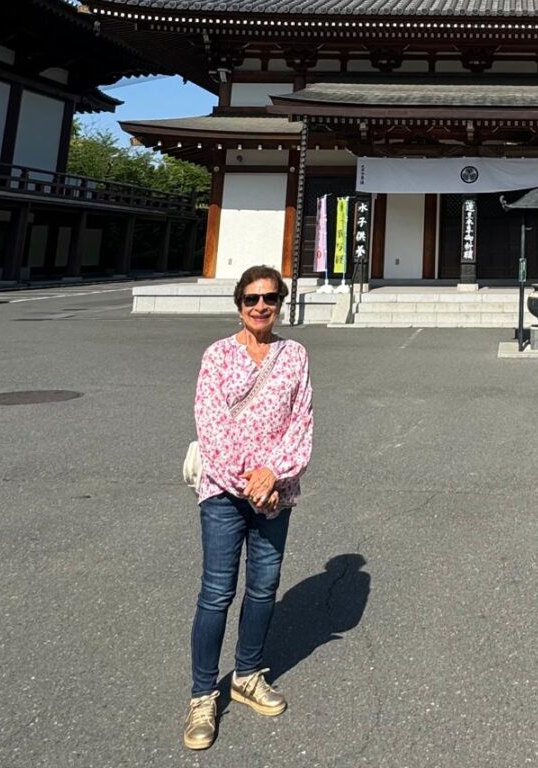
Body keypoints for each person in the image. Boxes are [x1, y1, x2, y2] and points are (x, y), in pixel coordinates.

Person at [183, 265, 314, 751]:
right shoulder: (217, 356)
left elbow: (302, 419)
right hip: (224, 488)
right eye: (252, 298)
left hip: (275, 489)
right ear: (238, 302)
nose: (261, 306)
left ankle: (248, 673)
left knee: (264, 586)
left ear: (282, 302)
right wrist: (247, 480)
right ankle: (201, 693)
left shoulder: (295, 355)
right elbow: (211, 423)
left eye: (270, 298)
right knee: (217, 591)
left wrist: (273, 475)